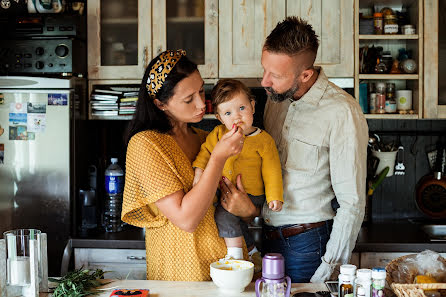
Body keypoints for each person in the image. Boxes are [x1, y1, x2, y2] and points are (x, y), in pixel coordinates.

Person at [121, 50, 248, 281]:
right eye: (189, 99)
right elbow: (186, 220)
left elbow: (238, 206)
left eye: (201, 90)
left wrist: (248, 210)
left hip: (228, 268)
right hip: (182, 271)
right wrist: (217, 158)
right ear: (160, 104)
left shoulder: (205, 138)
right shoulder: (146, 144)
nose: (202, 103)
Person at [258, 16, 369, 283]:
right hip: (267, 239)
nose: (264, 81)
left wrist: (330, 266)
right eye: (264, 69)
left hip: (309, 247)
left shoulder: (342, 111)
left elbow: (352, 202)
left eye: (275, 74)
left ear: (305, 75)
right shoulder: (276, 98)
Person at [192, 79, 284, 260]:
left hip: (253, 194)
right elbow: (205, 153)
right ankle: (251, 251)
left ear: (253, 106)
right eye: (228, 112)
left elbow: (272, 170)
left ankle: (235, 258)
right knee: (234, 220)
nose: (237, 116)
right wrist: (199, 172)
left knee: (224, 216)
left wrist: (275, 196)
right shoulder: (218, 134)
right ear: (219, 118)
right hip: (226, 193)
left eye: (242, 108)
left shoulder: (264, 140)